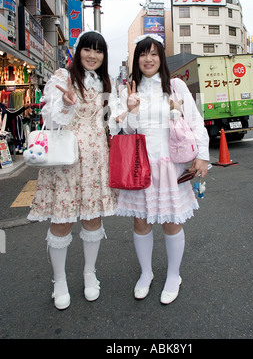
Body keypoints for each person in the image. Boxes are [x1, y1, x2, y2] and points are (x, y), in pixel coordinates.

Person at [115, 34, 210, 304]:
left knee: (171, 221)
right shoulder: (128, 90)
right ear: (137, 59)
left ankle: (173, 275)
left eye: (154, 54)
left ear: (161, 58)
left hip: (171, 164)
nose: (148, 59)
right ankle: (146, 274)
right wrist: (131, 110)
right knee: (141, 221)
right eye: (143, 54)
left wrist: (202, 155)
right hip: (140, 166)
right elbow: (126, 131)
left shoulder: (176, 86)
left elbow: (195, 121)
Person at [28, 31, 117, 309]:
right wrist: (66, 104)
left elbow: (110, 123)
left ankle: (89, 273)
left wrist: (128, 113)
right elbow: (51, 119)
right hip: (65, 159)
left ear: (104, 56)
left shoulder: (105, 82)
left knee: (92, 219)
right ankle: (59, 280)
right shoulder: (61, 78)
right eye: (87, 50)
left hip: (95, 159)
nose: (93, 55)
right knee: (62, 220)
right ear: (78, 52)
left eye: (98, 51)